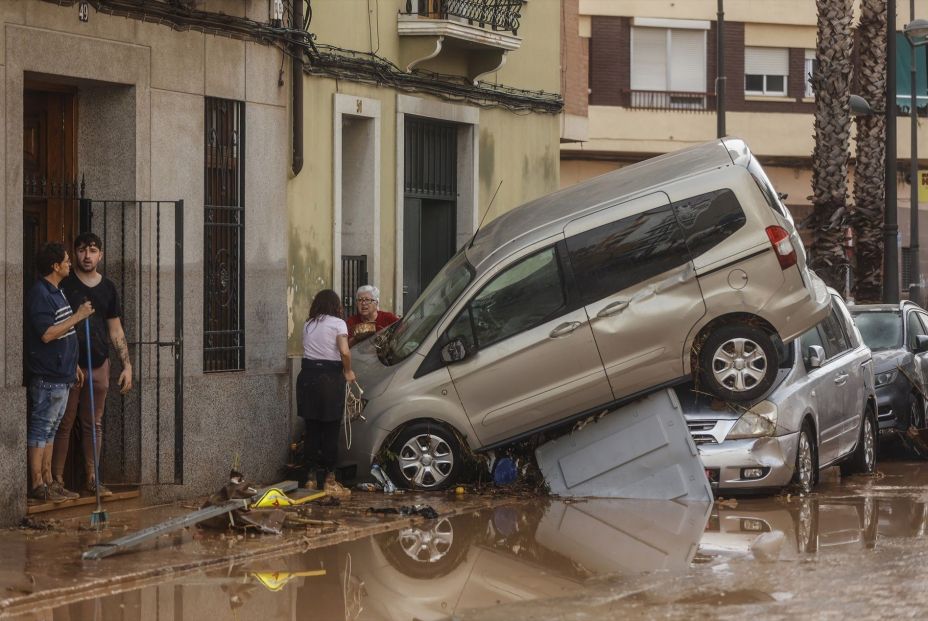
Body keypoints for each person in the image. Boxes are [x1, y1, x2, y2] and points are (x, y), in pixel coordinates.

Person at [53, 232, 133, 498]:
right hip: (70, 366)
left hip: (99, 363)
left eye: (93, 250)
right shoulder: (66, 285)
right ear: (74, 253)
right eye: (82, 250)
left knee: (94, 423)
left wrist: (127, 365)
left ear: (101, 255)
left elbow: (116, 329)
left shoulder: (108, 288)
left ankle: (92, 478)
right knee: (64, 422)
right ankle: (57, 481)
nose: (87, 256)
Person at [25, 242, 93, 503]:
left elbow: (62, 332)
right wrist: (78, 316)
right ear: (55, 266)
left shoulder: (57, 291)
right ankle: (37, 484)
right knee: (42, 428)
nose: (69, 263)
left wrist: (73, 364)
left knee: (51, 428)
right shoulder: (40, 294)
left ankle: (49, 481)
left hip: (63, 375)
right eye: (66, 260)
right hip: (47, 377)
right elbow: (47, 334)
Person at [297, 289, 356, 496]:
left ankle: (310, 479)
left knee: (312, 428)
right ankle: (330, 479)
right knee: (330, 429)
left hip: (307, 377)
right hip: (329, 379)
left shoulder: (308, 324)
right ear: (336, 305)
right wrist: (348, 370)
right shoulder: (338, 323)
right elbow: (344, 351)